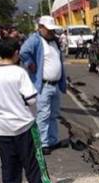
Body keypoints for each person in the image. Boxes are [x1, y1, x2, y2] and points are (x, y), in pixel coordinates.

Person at [0, 38, 61, 183]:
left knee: (9, 166)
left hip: (2, 127)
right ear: (16, 53)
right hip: (24, 125)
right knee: (34, 163)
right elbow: (31, 99)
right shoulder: (19, 73)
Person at [20, 15, 68, 155]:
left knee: (53, 114)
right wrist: (29, 63)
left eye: (52, 30)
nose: (51, 32)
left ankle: (52, 140)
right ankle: (42, 143)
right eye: (48, 30)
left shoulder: (54, 42)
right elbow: (23, 52)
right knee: (43, 114)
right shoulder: (35, 40)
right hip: (44, 85)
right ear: (40, 28)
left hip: (55, 85)